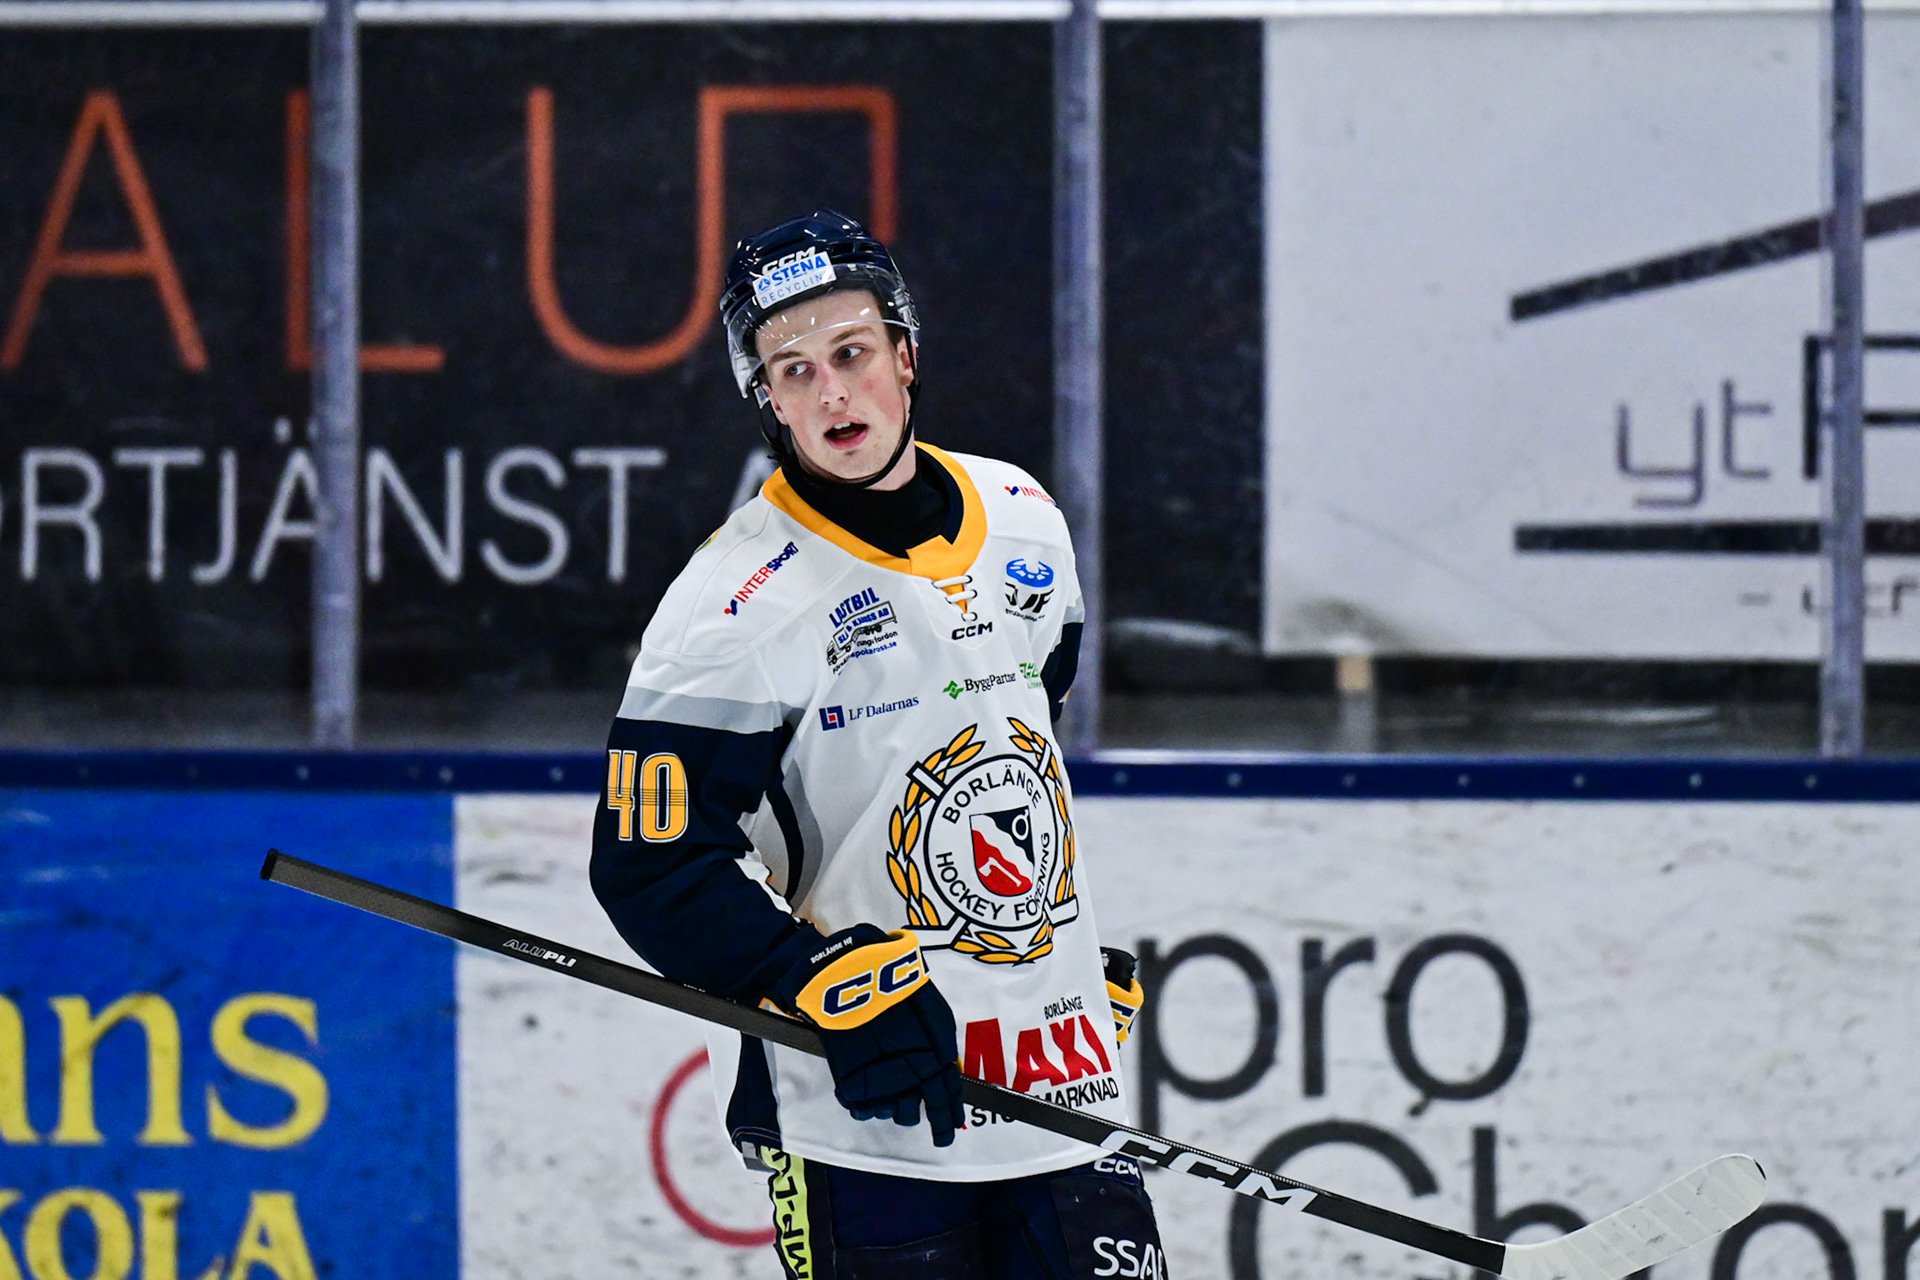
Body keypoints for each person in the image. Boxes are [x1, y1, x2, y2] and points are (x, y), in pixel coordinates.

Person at [590, 209, 1164, 1279]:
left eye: (851, 353)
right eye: (794, 371)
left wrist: (1049, 965)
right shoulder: (729, 604)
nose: (831, 393)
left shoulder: (1024, 516)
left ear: (904, 354)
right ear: (769, 401)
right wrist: (804, 976)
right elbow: (650, 864)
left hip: (1058, 1087)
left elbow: (1012, 750)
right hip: (865, 1115)